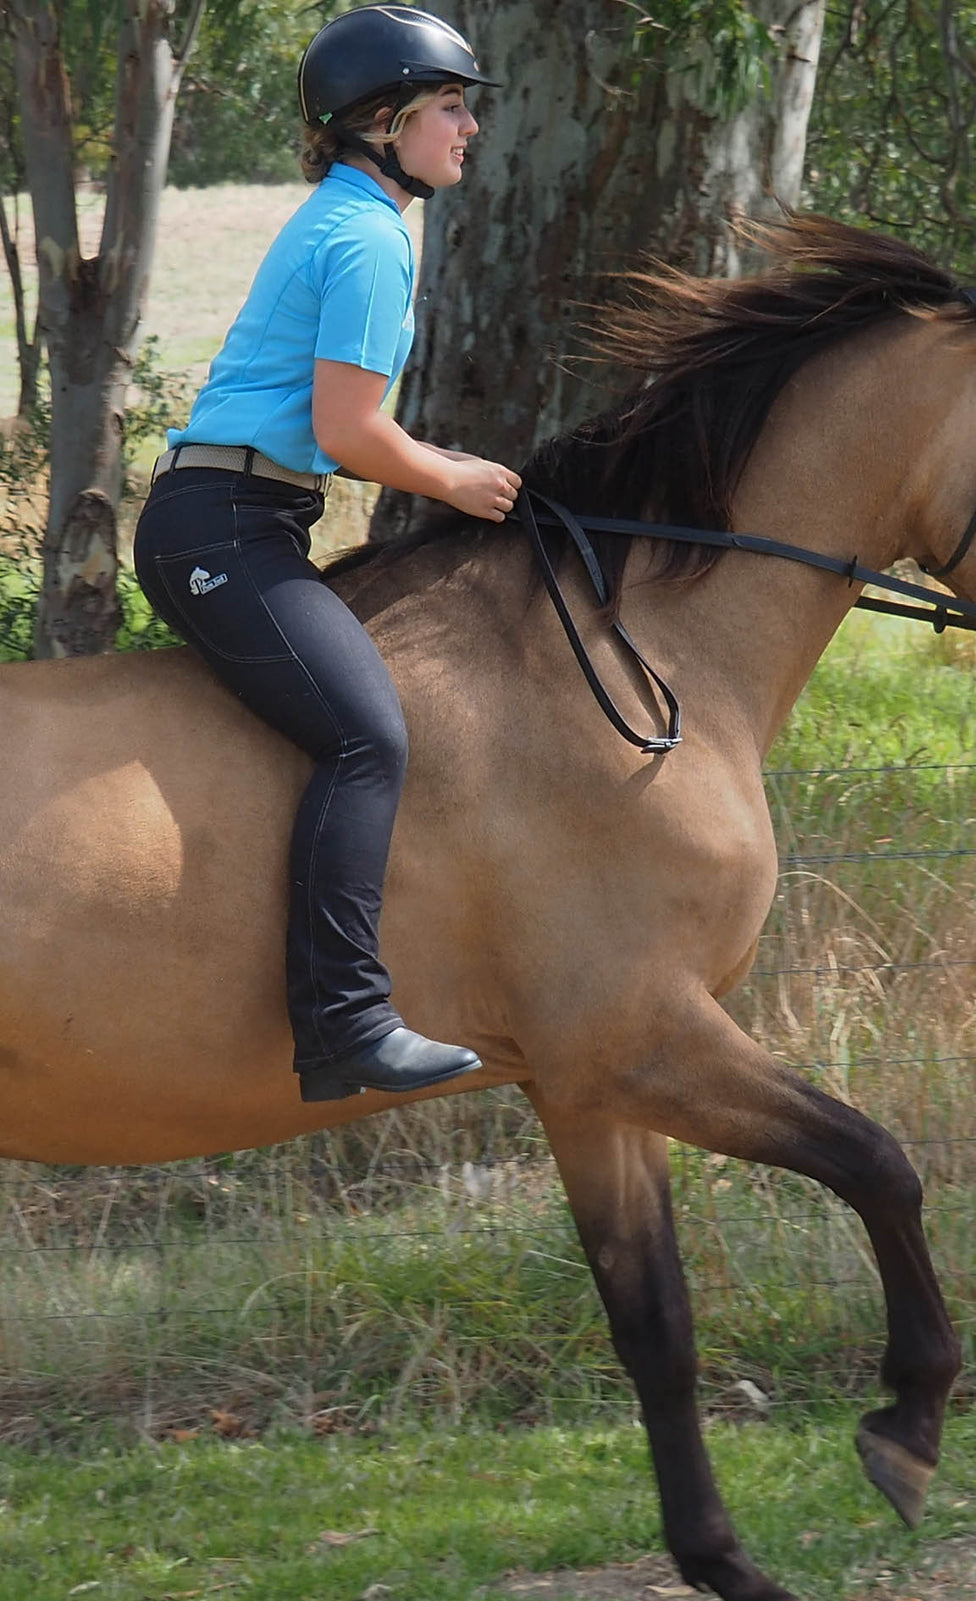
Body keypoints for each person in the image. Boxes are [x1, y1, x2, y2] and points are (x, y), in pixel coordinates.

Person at [133, 6, 521, 1105]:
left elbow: (342, 427)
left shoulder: (355, 217)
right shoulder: (369, 239)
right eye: (451, 106)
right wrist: (454, 480)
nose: (469, 128)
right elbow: (348, 432)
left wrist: (439, 463)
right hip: (224, 525)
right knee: (366, 735)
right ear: (386, 120)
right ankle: (347, 1019)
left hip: (237, 514)